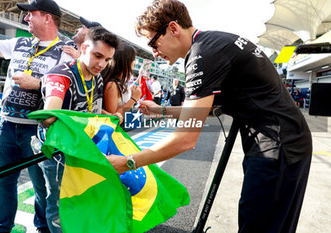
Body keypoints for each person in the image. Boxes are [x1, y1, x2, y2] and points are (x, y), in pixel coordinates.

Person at [107, 1, 312, 233]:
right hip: (283, 141)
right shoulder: (212, 43)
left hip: (278, 147)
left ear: (173, 28)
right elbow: (207, 111)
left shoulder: (201, 55)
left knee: (258, 225)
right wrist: (161, 110)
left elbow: (186, 138)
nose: (154, 52)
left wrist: (128, 162)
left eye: (154, 42)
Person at [0, 0, 73, 232]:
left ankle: (42, 229)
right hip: (7, 127)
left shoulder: (67, 50)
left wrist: (39, 83)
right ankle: (1, 229)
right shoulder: (21, 42)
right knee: (4, 184)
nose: (25, 19)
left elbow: (74, 88)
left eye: (30, 14)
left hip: (39, 132)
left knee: (42, 188)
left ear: (47, 17)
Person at [38, 26, 121, 233]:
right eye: (97, 56)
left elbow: (91, 111)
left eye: (107, 59)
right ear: (83, 48)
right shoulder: (60, 75)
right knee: (58, 204)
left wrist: (107, 116)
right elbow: (49, 117)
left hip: (81, 148)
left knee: (82, 196)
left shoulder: (97, 76)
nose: (102, 64)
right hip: (58, 151)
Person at [102, 43, 141, 115]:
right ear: (126, 61)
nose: (134, 62)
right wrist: (134, 99)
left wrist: (140, 76)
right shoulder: (111, 85)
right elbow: (114, 117)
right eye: (133, 59)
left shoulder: (120, 81)